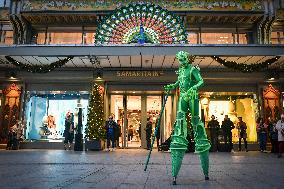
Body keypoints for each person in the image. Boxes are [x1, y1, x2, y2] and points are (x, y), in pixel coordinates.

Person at [164, 51, 211, 184]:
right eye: (180, 59)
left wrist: (194, 88)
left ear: (187, 58)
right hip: (183, 96)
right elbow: (179, 81)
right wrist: (172, 86)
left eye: (183, 59)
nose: (182, 61)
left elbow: (201, 81)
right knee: (179, 119)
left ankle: (201, 144)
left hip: (193, 96)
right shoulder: (181, 70)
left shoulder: (192, 69)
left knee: (196, 120)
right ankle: (178, 142)